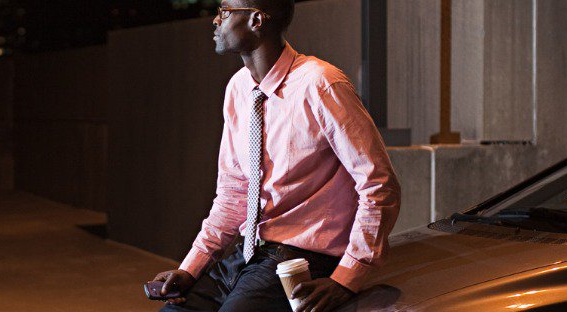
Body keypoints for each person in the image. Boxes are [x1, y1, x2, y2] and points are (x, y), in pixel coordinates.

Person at [147, 0, 400, 311]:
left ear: (256, 20)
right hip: (246, 253)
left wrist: (347, 278)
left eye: (225, 11)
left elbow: (378, 185)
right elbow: (233, 193)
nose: (215, 21)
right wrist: (191, 268)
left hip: (300, 258)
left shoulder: (320, 83)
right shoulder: (239, 88)